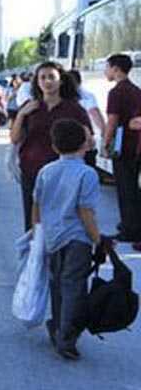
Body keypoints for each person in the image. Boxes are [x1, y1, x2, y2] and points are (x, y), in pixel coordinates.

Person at [31, 119, 105, 361]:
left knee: (57, 283)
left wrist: (36, 233)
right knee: (74, 286)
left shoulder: (46, 171)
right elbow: (86, 212)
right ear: (86, 144)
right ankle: (66, 336)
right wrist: (99, 239)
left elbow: (37, 205)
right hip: (78, 239)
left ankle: (57, 325)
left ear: (54, 147)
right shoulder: (88, 174)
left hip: (53, 237)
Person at [10, 61, 92, 232]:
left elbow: (89, 142)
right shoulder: (30, 107)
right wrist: (22, 114)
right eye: (43, 78)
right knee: (33, 223)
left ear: (60, 80)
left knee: (62, 220)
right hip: (32, 171)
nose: (47, 81)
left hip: (64, 175)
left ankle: (59, 256)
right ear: (37, 82)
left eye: (52, 77)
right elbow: (15, 138)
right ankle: (34, 255)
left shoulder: (74, 109)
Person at [104, 53, 141, 243]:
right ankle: (133, 226)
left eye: (107, 67)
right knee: (134, 187)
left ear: (116, 69)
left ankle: (129, 229)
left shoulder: (116, 93)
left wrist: (105, 144)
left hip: (122, 146)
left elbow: (112, 121)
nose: (105, 71)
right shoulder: (136, 90)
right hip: (137, 146)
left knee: (125, 189)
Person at [65, 70, 106, 166]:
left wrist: (104, 133)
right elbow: (95, 113)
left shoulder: (81, 96)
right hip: (84, 142)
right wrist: (104, 133)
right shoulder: (87, 95)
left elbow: (94, 112)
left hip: (74, 141)